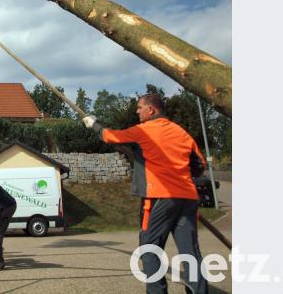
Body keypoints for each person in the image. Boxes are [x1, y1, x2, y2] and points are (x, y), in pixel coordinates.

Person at [83, 93, 207, 294]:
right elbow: (199, 166)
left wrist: (94, 124)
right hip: (187, 198)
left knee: (150, 250)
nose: (137, 111)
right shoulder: (181, 133)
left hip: (159, 198)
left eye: (140, 107)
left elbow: (111, 136)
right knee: (190, 252)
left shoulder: (144, 130)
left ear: (151, 110)